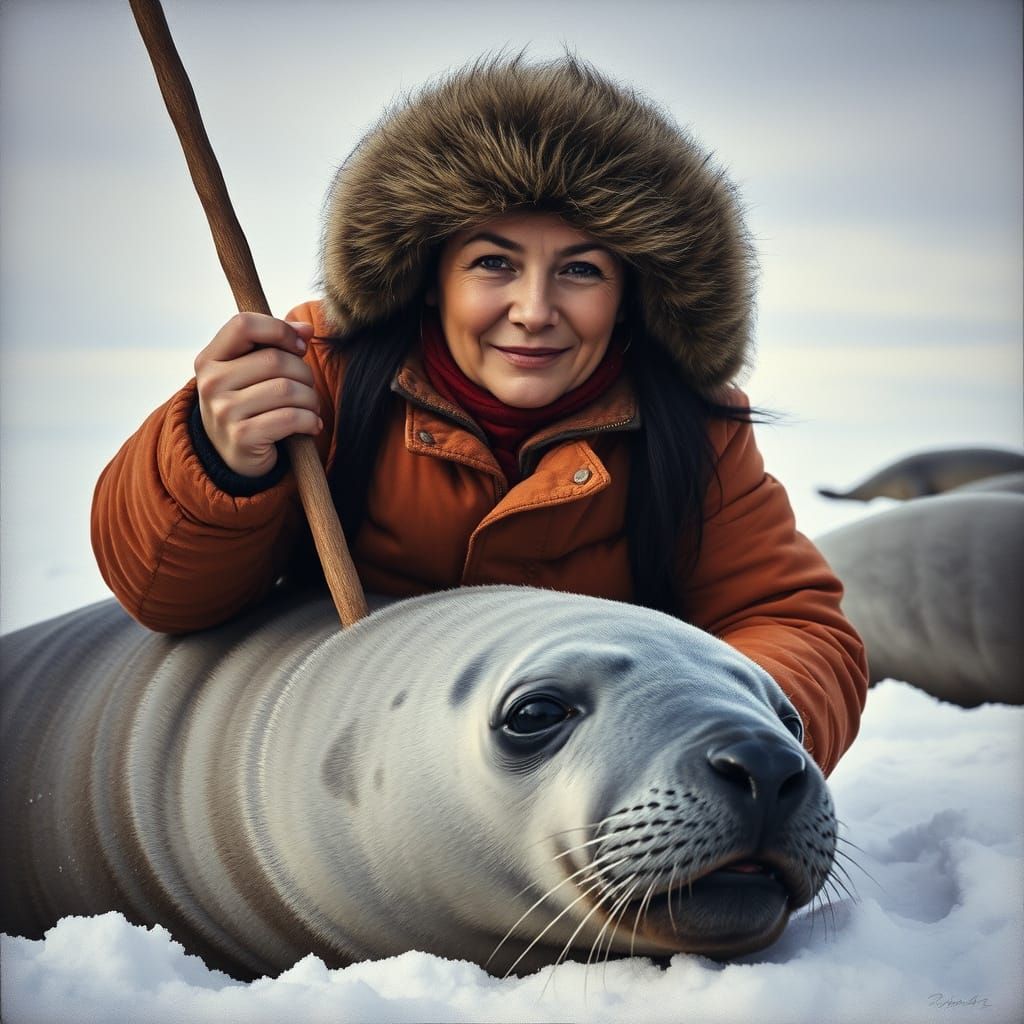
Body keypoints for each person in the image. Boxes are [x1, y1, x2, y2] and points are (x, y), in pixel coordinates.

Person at [92, 56, 867, 776]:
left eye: (581, 271)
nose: (534, 311)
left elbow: (793, 625)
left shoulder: (688, 428)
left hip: (586, 803)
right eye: (494, 262)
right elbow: (163, 596)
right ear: (431, 277)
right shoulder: (314, 370)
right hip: (331, 787)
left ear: (631, 293)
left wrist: (714, 738)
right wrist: (218, 456)